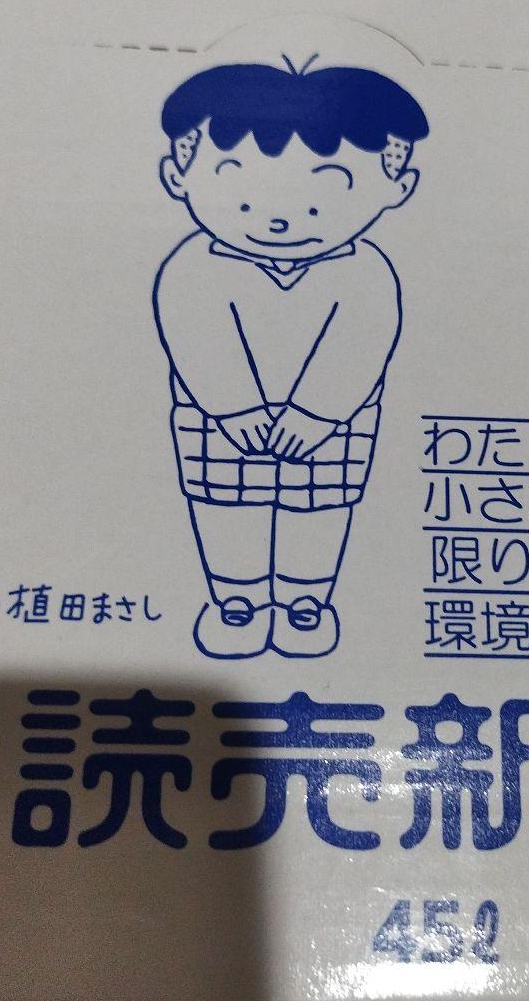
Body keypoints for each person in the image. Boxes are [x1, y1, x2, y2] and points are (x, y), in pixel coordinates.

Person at [154, 55, 428, 658]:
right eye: (244, 202)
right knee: (224, 505)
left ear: (398, 188)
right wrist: (234, 409)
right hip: (217, 421)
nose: (279, 220)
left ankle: (307, 601)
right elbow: (196, 337)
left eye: (317, 205)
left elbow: (362, 345)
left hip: (333, 425)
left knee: (321, 507)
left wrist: (318, 414)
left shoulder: (366, 271)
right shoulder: (193, 266)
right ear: (178, 175)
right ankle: (237, 600)